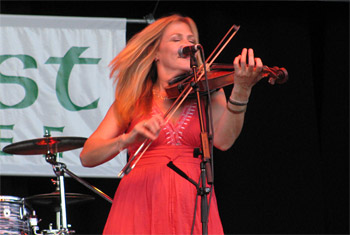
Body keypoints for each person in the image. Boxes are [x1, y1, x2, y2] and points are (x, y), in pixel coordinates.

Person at [80, 14, 263, 234]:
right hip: (139, 202)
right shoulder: (132, 100)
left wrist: (242, 90)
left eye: (191, 39)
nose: (187, 44)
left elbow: (224, 141)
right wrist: (127, 139)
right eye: (176, 39)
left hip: (192, 202)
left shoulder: (208, 92)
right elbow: (87, 156)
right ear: (155, 52)